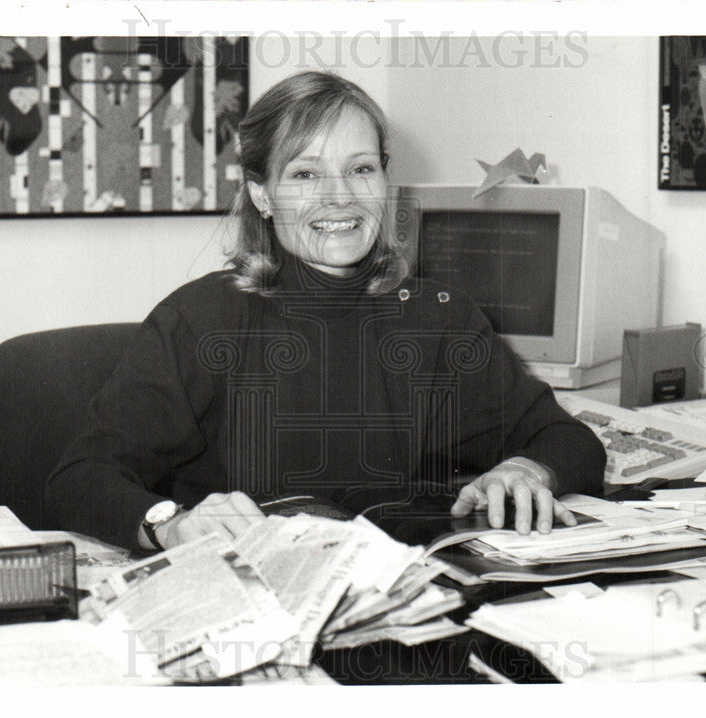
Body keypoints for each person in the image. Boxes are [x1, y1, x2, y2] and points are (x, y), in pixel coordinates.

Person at [45, 71, 605, 552]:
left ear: (384, 180)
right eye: (306, 174)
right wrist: (172, 524)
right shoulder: (201, 321)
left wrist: (525, 470)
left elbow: (567, 440)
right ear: (262, 195)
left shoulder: (441, 318)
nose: (340, 197)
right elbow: (80, 477)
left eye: (360, 169)